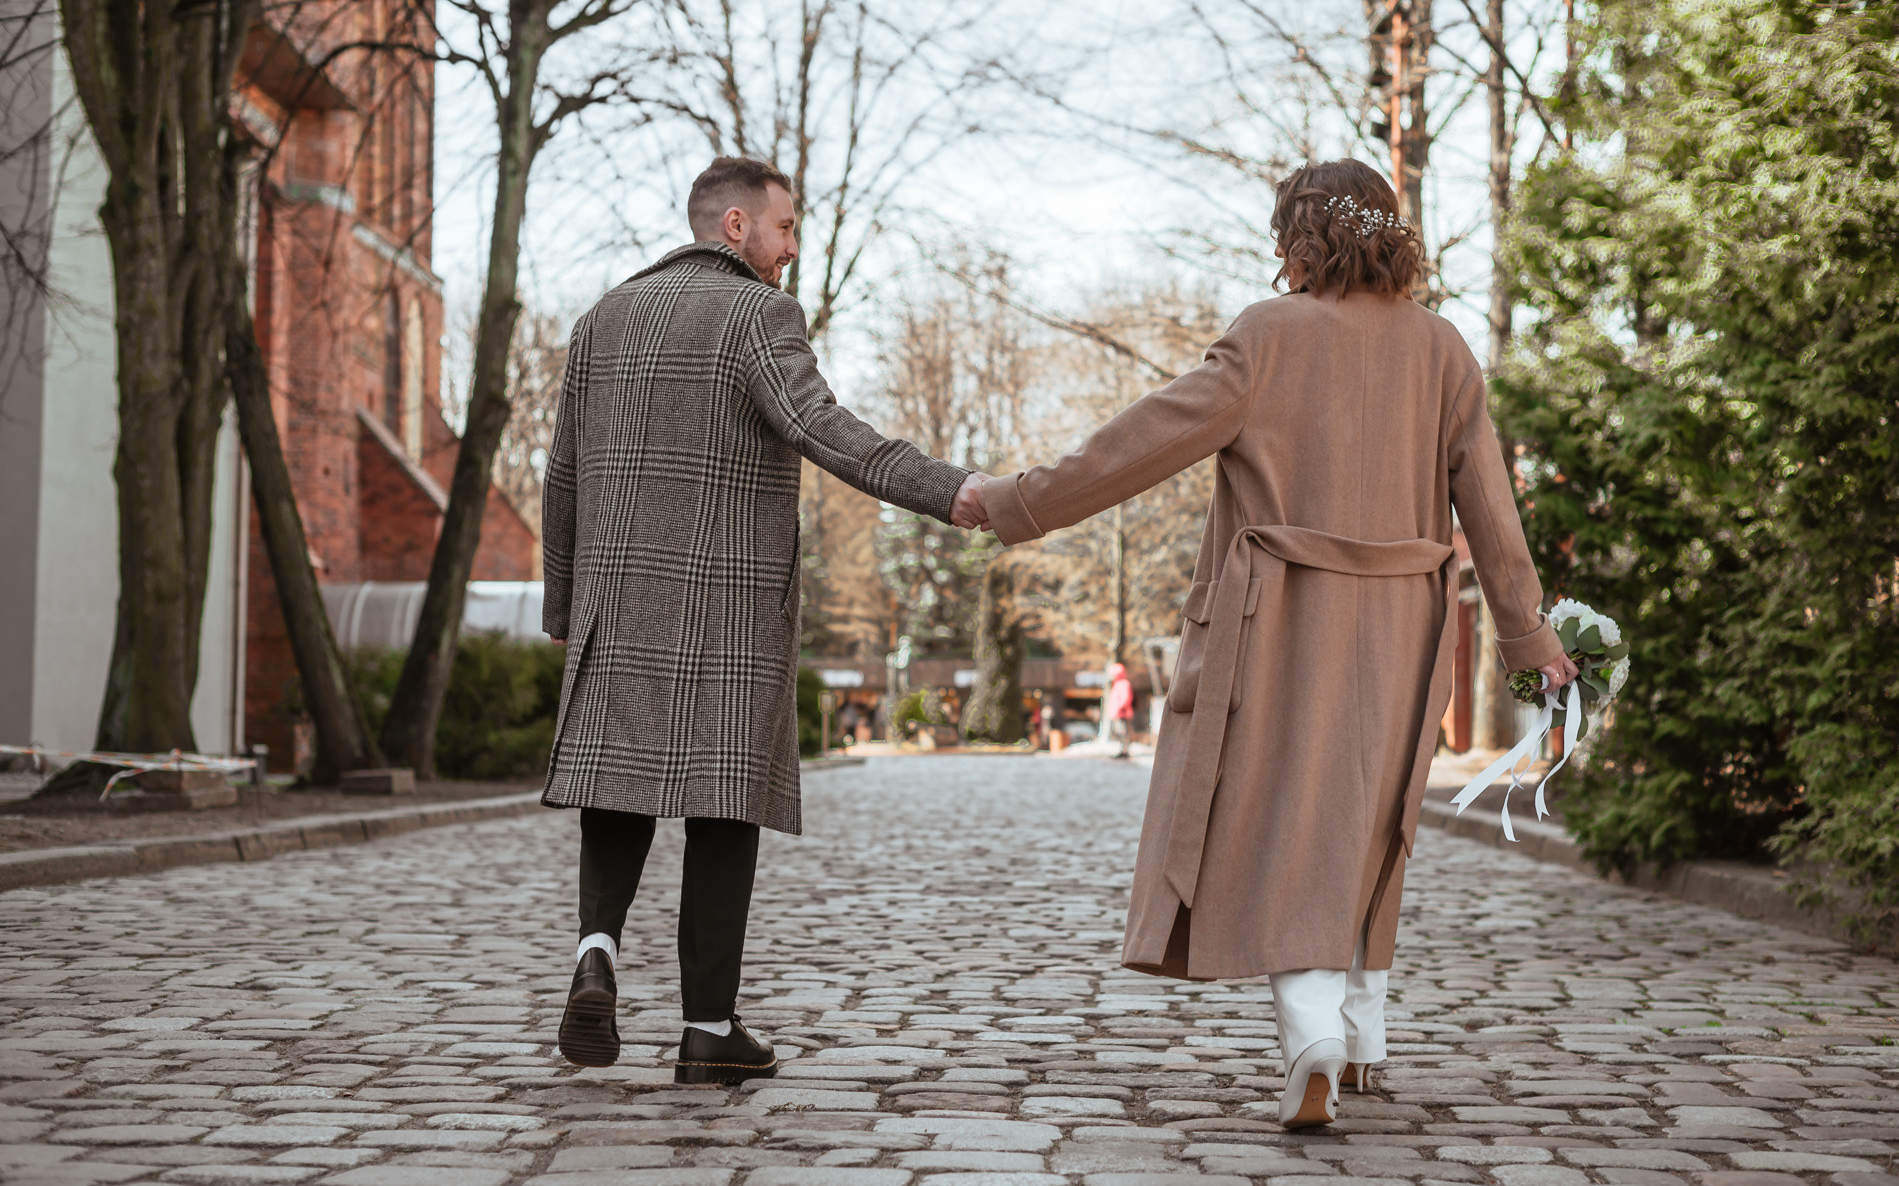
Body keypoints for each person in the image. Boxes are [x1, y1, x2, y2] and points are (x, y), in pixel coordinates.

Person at [952, 159, 1575, 1129]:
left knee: (1291, 821)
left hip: (1284, 612)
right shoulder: (1444, 348)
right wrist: (1528, 635)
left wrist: (1016, 502)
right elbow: (1491, 510)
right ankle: (1363, 1035)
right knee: (1373, 818)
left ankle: (1315, 1037)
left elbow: (1140, 441)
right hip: (1405, 622)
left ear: (1299, 239)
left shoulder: (1268, 336)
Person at [540, 156, 986, 1080]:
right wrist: (952, 491)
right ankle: (708, 1030)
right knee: (722, 807)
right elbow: (828, 429)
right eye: (785, 229)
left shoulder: (602, 318)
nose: (791, 251)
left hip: (614, 601)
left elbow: (562, 476)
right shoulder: (757, 314)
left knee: (617, 787)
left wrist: (563, 606)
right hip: (727, 611)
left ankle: (596, 951)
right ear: (735, 225)